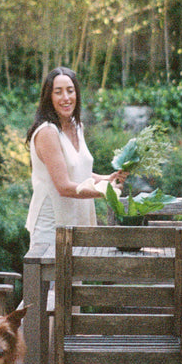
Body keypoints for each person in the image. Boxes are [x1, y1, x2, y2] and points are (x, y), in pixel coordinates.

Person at [25, 66, 122, 248]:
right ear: (48, 97)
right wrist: (105, 192)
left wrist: (107, 179)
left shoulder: (77, 127)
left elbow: (77, 171)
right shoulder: (47, 132)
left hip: (78, 224)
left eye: (70, 91)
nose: (66, 98)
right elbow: (63, 186)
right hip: (52, 230)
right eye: (58, 92)